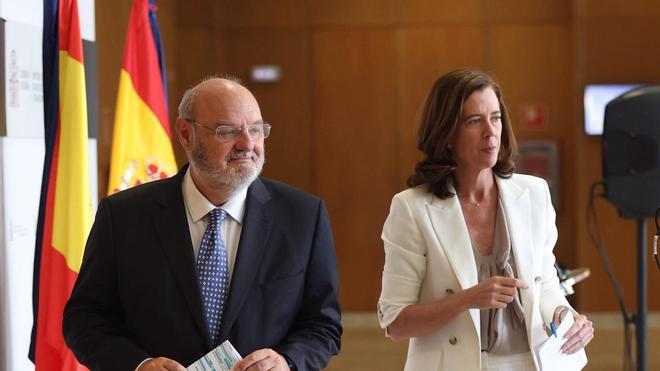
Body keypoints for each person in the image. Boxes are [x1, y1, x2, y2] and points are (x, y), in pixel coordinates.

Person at [63, 77, 342, 371]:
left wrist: (287, 361)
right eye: (228, 131)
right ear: (186, 134)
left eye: (257, 129)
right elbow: (85, 320)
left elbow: (323, 325)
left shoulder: (303, 217)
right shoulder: (123, 216)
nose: (247, 144)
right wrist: (139, 365)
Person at [377, 69, 593, 370]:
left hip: (532, 362)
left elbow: (545, 286)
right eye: (474, 121)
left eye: (496, 117)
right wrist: (466, 299)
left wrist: (565, 316)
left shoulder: (534, 193)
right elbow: (396, 323)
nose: (490, 132)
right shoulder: (411, 208)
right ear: (447, 134)